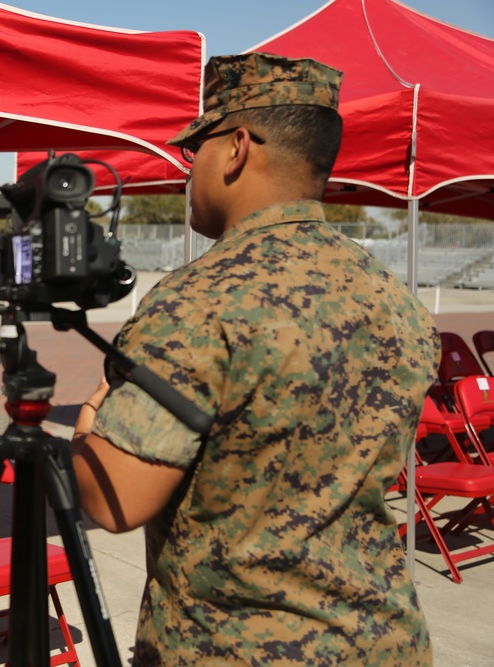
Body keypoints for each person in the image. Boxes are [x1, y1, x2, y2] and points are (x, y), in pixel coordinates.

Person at [70, 53, 439, 666]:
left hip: (234, 649)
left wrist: (90, 413)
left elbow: (113, 500)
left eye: (196, 152)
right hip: (383, 643)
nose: (190, 171)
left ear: (237, 147)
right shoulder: (391, 294)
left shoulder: (202, 297)